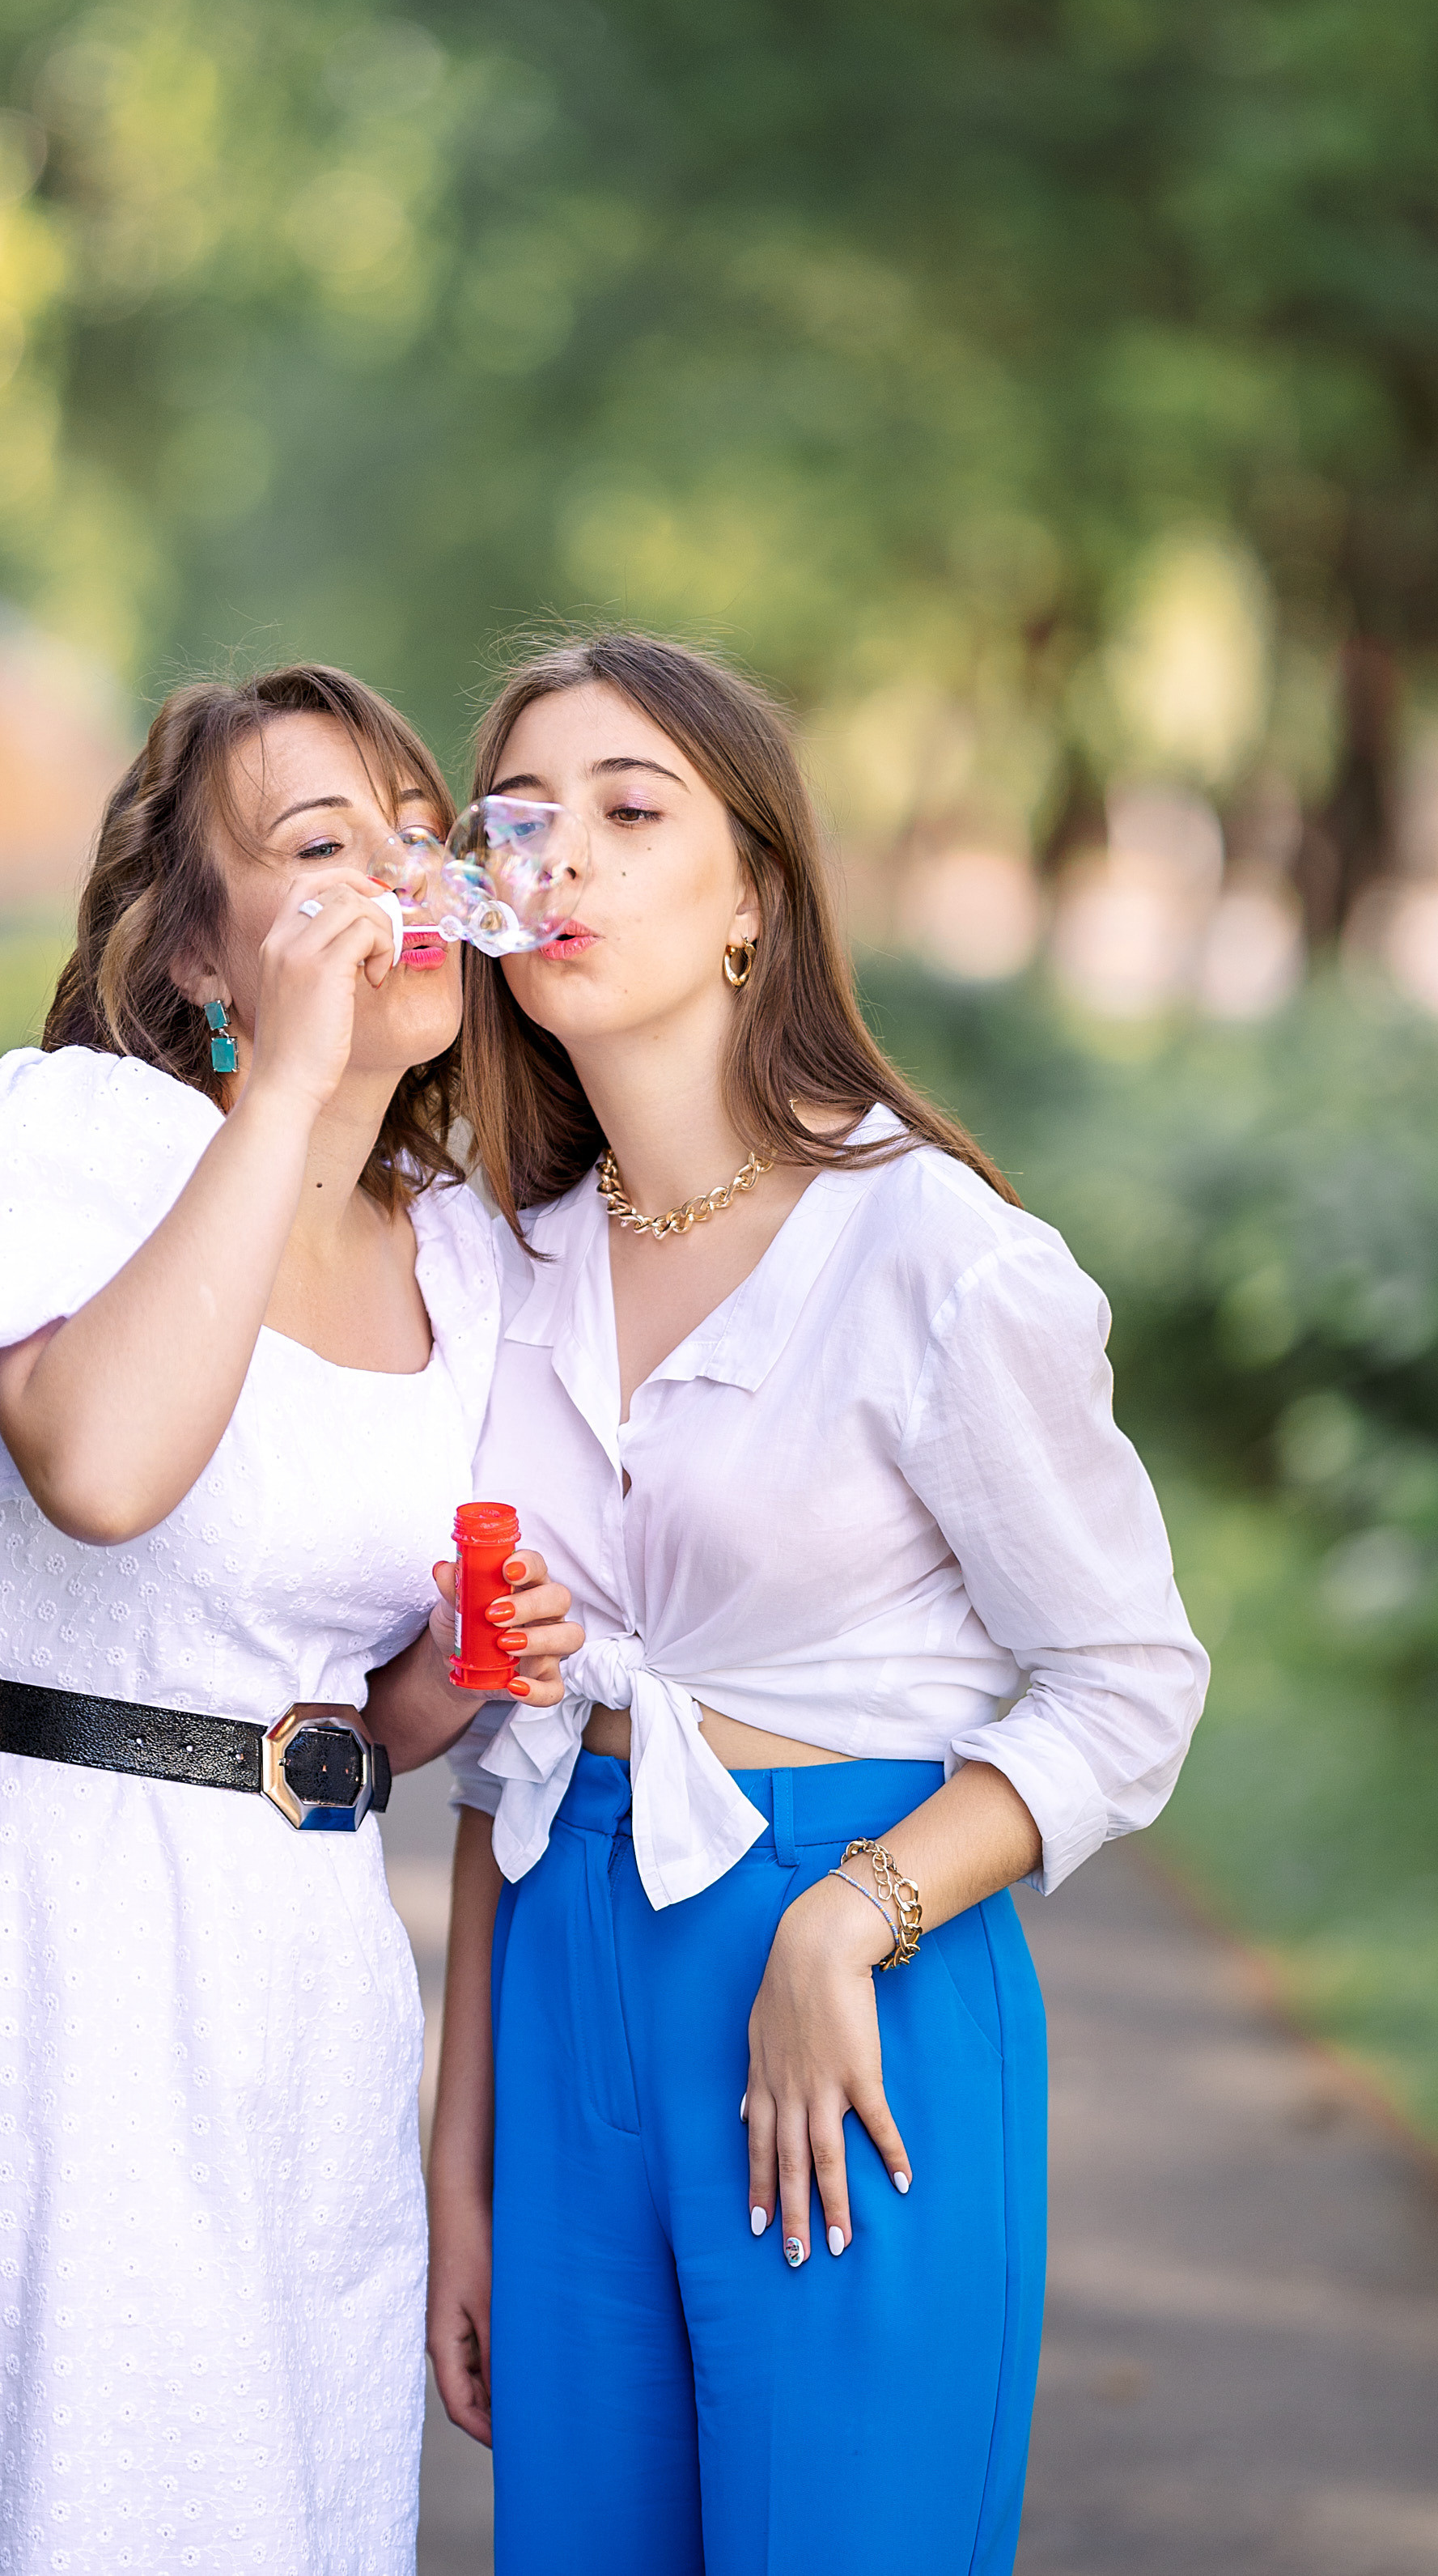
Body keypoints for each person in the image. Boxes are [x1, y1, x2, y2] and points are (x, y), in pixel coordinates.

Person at [0, 664, 579, 2576]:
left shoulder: (458, 1258)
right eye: (317, 848)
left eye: (416, 840)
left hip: (308, 1988)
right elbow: (101, 1466)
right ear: (194, 948)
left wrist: (489, 1649)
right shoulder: (71, 1146)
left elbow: (375, 1713)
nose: (395, 883)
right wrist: (280, 1087)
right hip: (62, 1949)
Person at [426, 634, 1209, 2576]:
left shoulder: (926, 1247)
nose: (568, 865)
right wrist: (460, 2174)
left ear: (752, 897)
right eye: (521, 824)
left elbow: (1127, 1685)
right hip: (562, 1966)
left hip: (850, 1966)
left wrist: (850, 1922)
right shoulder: (490, 1263)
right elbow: (499, 1764)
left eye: (631, 812)